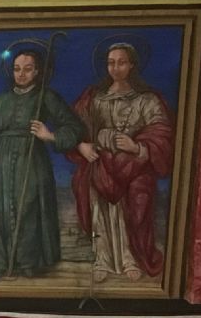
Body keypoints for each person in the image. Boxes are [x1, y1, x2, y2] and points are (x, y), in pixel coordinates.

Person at [0, 48, 86, 280]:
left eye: (27, 69)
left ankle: (29, 263)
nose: (21, 74)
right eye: (17, 69)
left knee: (30, 208)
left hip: (32, 161)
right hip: (2, 163)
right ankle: (2, 263)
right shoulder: (1, 101)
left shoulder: (46, 97)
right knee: (1, 208)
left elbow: (74, 128)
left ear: (37, 71)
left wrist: (50, 135)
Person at [67, 43, 176, 282]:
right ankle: (102, 259)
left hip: (134, 166)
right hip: (100, 163)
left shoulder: (146, 100)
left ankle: (131, 259)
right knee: (96, 196)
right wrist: (82, 145)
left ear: (132, 65)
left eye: (121, 62)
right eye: (111, 63)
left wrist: (136, 147)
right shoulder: (94, 98)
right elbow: (73, 128)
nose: (115, 68)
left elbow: (162, 133)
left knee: (136, 198)